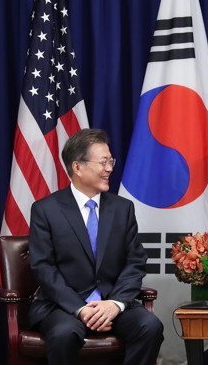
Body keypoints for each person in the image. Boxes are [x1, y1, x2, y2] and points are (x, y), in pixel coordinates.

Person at [28, 128, 164, 365]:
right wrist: (80, 309)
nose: (110, 168)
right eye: (103, 162)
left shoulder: (123, 209)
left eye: (111, 161)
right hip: (63, 306)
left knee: (150, 326)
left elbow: (135, 261)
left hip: (111, 301)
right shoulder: (45, 210)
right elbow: (44, 268)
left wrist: (115, 304)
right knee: (63, 334)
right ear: (77, 167)